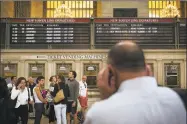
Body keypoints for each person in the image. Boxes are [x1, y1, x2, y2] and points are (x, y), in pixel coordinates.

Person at [84, 41, 186, 124]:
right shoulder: (180, 100)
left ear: (110, 72)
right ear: (148, 69)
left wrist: (105, 100)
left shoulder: (98, 113)